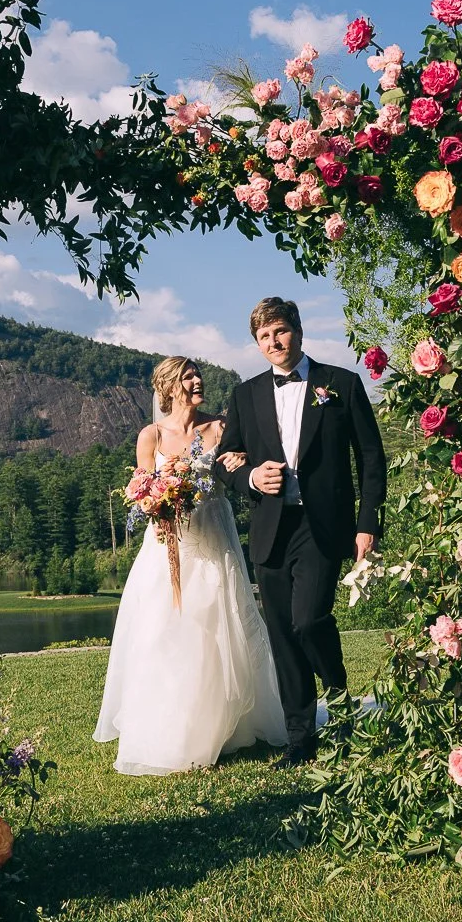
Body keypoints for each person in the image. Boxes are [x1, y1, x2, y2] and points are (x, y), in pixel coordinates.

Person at [94, 356, 287, 774]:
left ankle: (229, 726)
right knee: (164, 631)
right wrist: (156, 502)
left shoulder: (219, 427)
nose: (198, 380)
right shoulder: (151, 436)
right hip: (167, 547)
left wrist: (243, 469)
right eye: (188, 376)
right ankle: (174, 728)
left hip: (214, 540)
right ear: (168, 387)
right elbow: (142, 490)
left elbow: (239, 469)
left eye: (197, 374)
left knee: (219, 624)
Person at [217, 298, 387, 766]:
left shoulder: (343, 384)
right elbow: (226, 459)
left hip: (323, 526)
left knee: (309, 620)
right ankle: (300, 737)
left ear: (298, 329)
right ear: (257, 343)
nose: (274, 343)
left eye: (280, 331)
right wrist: (250, 477)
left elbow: (371, 459)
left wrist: (367, 524)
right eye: (264, 337)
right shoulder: (244, 395)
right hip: (271, 528)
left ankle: (342, 701)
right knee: (282, 636)